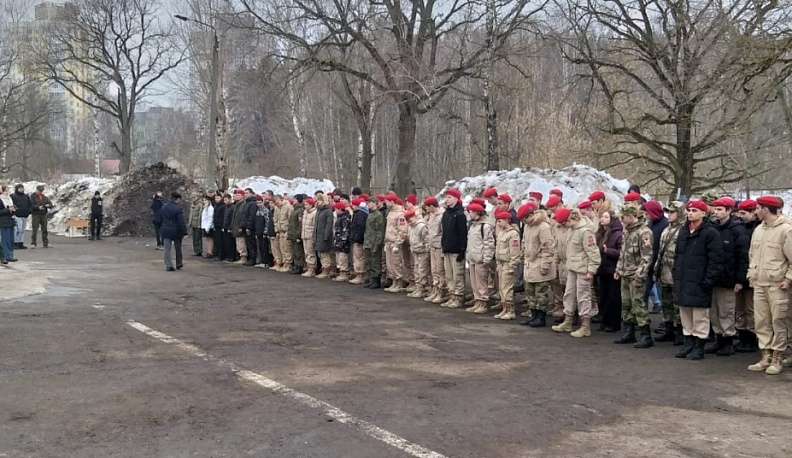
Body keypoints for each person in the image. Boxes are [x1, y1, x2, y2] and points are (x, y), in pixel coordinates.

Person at [746, 195, 792, 375]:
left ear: (766, 209)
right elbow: (752, 255)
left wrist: (788, 279)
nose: (756, 211)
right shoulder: (758, 230)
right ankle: (765, 355)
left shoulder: (786, 230)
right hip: (759, 283)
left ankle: (777, 357)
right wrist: (751, 274)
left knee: (778, 321)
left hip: (777, 284)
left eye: (758, 208)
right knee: (761, 321)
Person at [673, 200, 724, 360]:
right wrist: (676, 275)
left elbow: (716, 260)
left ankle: (699, 345)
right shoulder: (683, 231)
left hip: (700, 281)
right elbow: (677, 256)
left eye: (694, 210)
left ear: (703, 213)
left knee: (700, 316)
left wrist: (708, 280)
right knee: (686, 314)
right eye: (689, 210)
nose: (690, 213)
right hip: (684, 280)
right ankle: (688, 342)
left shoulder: (710, 233)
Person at [707, 196, 749, 356]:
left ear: (729, 211)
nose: (716, 213)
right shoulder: (713, 228)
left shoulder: (737, 230)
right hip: (715, 277)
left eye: (720, 210)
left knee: (726, 311)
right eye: (715, 209)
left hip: (729, 279)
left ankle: (728, 341)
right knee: (714, 311)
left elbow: (742, 257)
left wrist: (740, 279)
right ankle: (719, 339)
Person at [552, 208, 601, 337]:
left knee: (583, 297)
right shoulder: (572, 230)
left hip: (583, 269)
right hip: (572, 267)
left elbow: (593, 252)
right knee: (569, 294)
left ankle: (585, 326)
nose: (563, 226)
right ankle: (567, 321)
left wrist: (591, 270)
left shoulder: (585, 231)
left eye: (564, 223)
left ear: (570, 220)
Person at [613, 204, 654, 348]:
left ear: (631, 216)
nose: (621, 220)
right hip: (625, 273)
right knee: (626, 304)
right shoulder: (627, 231)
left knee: (638, 304)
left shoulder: (644, 233)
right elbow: (623, 253)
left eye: (623, 217)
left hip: (636, 275)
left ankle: (645, 335)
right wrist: (618, 269)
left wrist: (640, 276)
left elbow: (646, 257)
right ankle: (629, 332)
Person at [521, 202, 556, 327]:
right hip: (530, 263)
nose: (524, 221)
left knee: (540, 292)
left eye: (525, 218)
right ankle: (534, 314)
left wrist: (545, 265)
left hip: (540, 262)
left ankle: (541, 317)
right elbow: (525, 243)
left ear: (531, 215)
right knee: (530, 291)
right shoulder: (528, 227)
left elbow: (548, 247)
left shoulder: (543, 227)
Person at [654, 202, 685, 344]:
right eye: (669, 212)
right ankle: (668, 329)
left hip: (675, 272)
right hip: (664, 271)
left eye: (673, 212)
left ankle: (680, 332)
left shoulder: (683, 230)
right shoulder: (666, 230)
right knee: (666, 303)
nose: (669, 215)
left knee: (677, 305)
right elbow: (661, 252)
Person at [734, 199, 759, 352]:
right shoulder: (739, 229)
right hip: (739, 275)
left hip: (751, 276)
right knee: (740, 309)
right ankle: (743, 336)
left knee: (751, 309)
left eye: (744, 213)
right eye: (740, 213)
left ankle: (752, 338)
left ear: (752, 212)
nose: (741, 216)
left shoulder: (757, 230)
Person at [595, 210, 623, 333]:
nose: (602, 219)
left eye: (606, 217)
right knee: (604, 296)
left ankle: (614, 322)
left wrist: (608, 251)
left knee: (613, 298)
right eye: (602, 217)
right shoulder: (601, 233)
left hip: (613, 269)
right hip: (603, 269)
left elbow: (622, 253)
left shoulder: (618, 234)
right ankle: (605, 320)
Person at [464, 203, 495, 311]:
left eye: (471, 212)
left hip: (480, 259)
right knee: (474, 282)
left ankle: (483, 302)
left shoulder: (484, 226)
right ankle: (477, 301)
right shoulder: (473, 226)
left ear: (477, 213)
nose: (470, 214)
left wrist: (487, 258)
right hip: (473, 258)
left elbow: (489, 243)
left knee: (481, 282)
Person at [494, 211, 521, 319]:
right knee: (501, 288)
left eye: (500, 221)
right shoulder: (501, 232)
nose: (498, 224)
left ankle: (510, 310)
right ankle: (504, 308)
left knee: (507, 288)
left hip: (508, 264)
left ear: (506, 220)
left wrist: (512, 265)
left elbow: (514, 251)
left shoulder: (513, 234)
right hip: (501, 263)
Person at [423, 196, 447, 304]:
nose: (426, 210)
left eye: (427, 207)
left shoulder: (442, 216)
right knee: (434, 270)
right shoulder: (432, 216)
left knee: (440, 270)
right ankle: (435, 290)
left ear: (432, 206)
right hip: (432, 245)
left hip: (439, 246)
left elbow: (443, 233)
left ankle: (441, 291)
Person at [383, 193, 409, 292]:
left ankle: (399, 282)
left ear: (392, 202)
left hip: (395, 242)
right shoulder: (390, 212)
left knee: (396, 263)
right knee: (390, 264)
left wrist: (398, 243)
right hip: (389, 241)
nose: (385, 204)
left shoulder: (400, 214)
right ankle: (394, 281)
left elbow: (402, 230)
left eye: (387, 202)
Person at [156, 192, 188, 272]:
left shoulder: (164, 207)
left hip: (166, 230)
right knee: (178, 248)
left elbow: (159, 218)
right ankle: (179, 263)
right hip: (176, 231)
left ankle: (168, 265)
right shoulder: (178, 208)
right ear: (177, 199)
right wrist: (184, 232)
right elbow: (181, 222)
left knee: (167, 248)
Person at [406, 209, 431, 298]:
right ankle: (418, 287)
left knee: (422, 271)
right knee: (416, 270)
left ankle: (422, 288)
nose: (409, 222)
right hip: (415, 251)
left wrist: (427, 251)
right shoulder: (411, 227)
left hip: (422, 252)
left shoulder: (421, 226)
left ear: (415, 217)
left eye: (410, 220)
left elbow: (427, 240)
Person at [363, 195, 386, 288]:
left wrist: (377, 245)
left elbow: (379, 232)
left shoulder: (378, 215)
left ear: (376, 204)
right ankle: (372, 279)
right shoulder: (370, 214)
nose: (369, 204)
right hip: (368, 241)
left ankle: (376, 281)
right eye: (368, 202)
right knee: (370, 262)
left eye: (371, 202)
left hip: (374, 242)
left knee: (375, 262)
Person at [348, 198, 369, 284]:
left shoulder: (359, 214)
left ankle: (360, 275)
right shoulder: (360, 213)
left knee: (359, 257)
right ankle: (359, 274)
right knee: (358, 257)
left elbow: (360, 227)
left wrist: (357, 238)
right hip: (358, 238)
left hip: (358, 240)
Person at [314, 198, 335, 279]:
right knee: (320, 253)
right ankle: (324, 268)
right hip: (318, 235)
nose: (317, 202)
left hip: (324, 236)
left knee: (324, 254)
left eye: (319, 200)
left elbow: (329, 225)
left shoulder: (328, 211)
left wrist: (326, 236)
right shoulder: (319, 211)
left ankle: (326, 270)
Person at [332, 201, 352, 282]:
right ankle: (341, 273)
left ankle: (344, 274)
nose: (335, 210)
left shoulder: (345, 218)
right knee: (339, 259)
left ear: (340, 209)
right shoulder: (340, 217)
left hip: (343, 243)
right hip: (338, 241)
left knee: (343, 259)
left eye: (336, 209)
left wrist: (342, 242)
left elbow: (345, 231)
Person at [29, 185, 53, 249]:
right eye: (39, 190)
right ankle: (33, 243)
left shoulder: (44, 197)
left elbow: (51, 204)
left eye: (41, 191)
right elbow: (31, 205)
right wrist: (38, 207)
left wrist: (48, 205)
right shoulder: (32, 197)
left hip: (43, 214)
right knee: (35, 229)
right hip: (35, 214)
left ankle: (45, 243)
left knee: (44, 229)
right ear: (36, 189)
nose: (40, 192)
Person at [274, 195, 294, 272]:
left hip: (286, 231)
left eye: (277, 203)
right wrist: (276, 230)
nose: (277, 205)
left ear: (280, 199)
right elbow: (275, 220)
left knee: (287, 248)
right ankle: (284, 263)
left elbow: (290, 220)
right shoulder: (277, 208)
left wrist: (289, 231)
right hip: (280, 231)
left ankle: (288, 264)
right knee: (282, 248)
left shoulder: (288, 207)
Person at [288, 194, 306, 274]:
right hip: (292, 233)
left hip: (297, 234)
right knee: (295, 251)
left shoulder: (300, 210)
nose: (293, 201)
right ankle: (296, 265)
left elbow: (300, 224)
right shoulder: (294, 209)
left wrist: (298, 235)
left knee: (298, 252)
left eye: (295, 200)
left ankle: (300, 266)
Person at [300, 198, 317, 276]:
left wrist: (314, 237)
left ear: (311, 205)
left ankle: (312, 269)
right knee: (306, 252)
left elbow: (314, 226)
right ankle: (308, 267)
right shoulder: (305, 212)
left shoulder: (314, 213)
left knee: (310, 252)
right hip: (304, 235)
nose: (305, 206)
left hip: (310, 235)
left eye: (306, 204)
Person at [0, 185, 17, 263]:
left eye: (8, 190)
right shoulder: (1, 199)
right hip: (3, 221)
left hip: (10, 220)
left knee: (11, 239)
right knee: (5, 239)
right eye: (5, 191)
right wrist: (7, 210)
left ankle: (10, 255)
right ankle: (6, 255)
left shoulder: (10, 198)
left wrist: (14, 209)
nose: (7, 192)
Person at [254, 195, 272, 267]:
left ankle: (265, 262)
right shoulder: (257, 211)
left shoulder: (265, 210)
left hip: (263, 232)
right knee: (260, 247)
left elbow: (267, 221)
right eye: (258, 203)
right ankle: (262, 261)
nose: (259, 204)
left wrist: (265, 231)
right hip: (258, 231)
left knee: (265, 247)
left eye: (260, 203)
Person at [11, 184, 31, 249]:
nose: (22, 189)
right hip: (17, 215)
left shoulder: (26, 196)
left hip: (25, 215)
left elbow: (29, 204)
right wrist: (15, 211)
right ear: (17, 189)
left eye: (22, 188)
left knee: (22, 230)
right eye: (20, 188)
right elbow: (11, 204)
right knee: (18, 229)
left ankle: (20, 242)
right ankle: (15, 242)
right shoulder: (13, 196)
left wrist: (29, 211)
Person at [211, 194, 225, 259]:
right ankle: (217, 253)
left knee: (220, 241)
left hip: (220, 225)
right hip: (216, 225)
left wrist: (222, 225)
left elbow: (223, 217)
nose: (216, 200)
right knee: (217, 241)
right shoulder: (216, 206)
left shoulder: (222, 206)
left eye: (218, 198)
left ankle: (221, 255)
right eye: (215, 198)